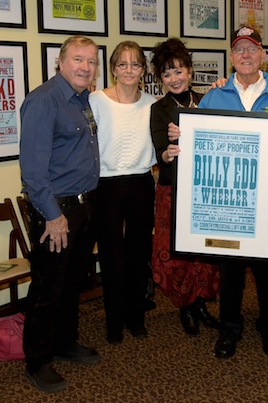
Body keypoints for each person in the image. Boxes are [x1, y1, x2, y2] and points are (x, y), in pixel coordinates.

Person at [197, 26, 268, 359]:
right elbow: (199, 142)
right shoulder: (214, 96)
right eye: (239, 50)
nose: (246, 55)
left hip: (267, 201)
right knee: (231, 270)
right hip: (229, 201)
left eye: (252, 49)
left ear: (264, 54)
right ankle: (229, 329)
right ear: (231, 57)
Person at [20, 35, 102, 393]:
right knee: (47, 289)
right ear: (61, 62)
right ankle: (37, 361)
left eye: (91, 61)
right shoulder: (43, 101)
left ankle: (65, 343)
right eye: (78, 60)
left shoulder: (82, 100)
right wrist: (53, 216)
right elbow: (33, 172)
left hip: (84, 207)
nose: (85, 67)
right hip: (58, 212)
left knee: (72, 284)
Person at [150, 38, 220, 337]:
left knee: (205, 250)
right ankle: (185, 305)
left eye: (178, 71)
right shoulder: (159, 109)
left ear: (189, 71)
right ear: (161, 80)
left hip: (205, 188)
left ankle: (202, 301)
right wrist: (170, 148)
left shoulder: (209, 100)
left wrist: (225, 89)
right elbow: (160, 154)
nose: (174, 79)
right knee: (176, 251)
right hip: (173, 189)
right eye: (167, 74)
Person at [89, 41, 157, 344]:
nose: (129, 70)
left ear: (142, 69)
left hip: (142, 182)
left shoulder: (153, 103)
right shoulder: (96, 100)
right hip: (107, 185)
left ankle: (136, 318)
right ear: (113, 69)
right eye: (122, 64)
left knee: (139, 253)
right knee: (112, 256)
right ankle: (114, 323)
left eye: (135, 64)